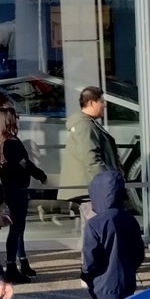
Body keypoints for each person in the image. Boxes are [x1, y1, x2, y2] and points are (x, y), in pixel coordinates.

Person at [0, 107, 47, 282]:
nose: (19, 120)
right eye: (16, 117)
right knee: (16, 229)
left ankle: (22, 261)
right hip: (17, 189)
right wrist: (41, 175)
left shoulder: (0, 141)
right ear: (10, 120)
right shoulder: (12, 142)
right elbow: (25, 164)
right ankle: (11, 266)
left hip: (10, 188)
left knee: (18, 228)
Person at [81, 169, 144, 299]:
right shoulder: (130, 219)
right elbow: (139, 253)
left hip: (103, 288)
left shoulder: (95, 223)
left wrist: (86, 275)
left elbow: (90, 260)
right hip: (127, 284)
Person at [63, 86, 122, 224]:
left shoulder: (87, 124)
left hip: (91, 187)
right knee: (96, 228)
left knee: (93, 229)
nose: (104, 105)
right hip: (92, 188)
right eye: (101, 101)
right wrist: (107, 182)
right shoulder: (84, 125)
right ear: (91, 102)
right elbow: (91, 158)